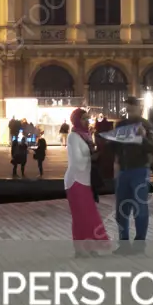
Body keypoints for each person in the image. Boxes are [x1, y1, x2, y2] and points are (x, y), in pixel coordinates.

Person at [110, 97, 153, 254]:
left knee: (140, 208)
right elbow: (115, 147)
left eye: (133, 106)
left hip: (139, 170)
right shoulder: (121, 125)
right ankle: (123, 244)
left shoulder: (147, 125)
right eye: (128, 107)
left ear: (140, 108)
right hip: (124, 171)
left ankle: (139, 244)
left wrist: (143, 137)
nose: (129, 110)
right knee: (121, 209)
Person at [64, 108, 110, 257]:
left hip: (86, 180)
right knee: (80, 216)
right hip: (75, 180)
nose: (86, 121)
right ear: (76, 120)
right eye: (83, 118)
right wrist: (93, 157)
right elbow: (77, 161)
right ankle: (80, 249)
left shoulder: (87, 136)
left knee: (89, 215)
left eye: (88, 118)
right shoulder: (73, 137)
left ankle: (89, 247)